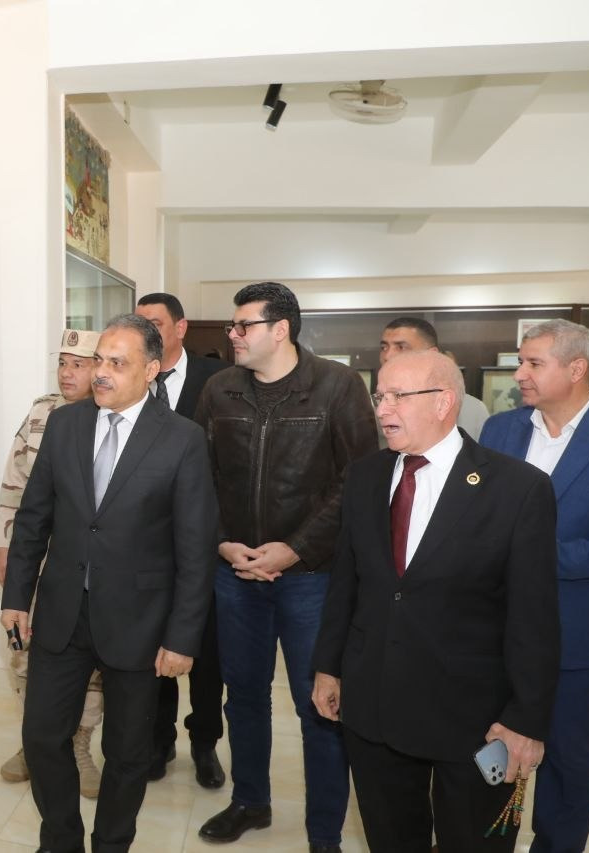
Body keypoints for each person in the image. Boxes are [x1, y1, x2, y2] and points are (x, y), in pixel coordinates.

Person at [312, 350, 560, 852]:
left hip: (474, 719)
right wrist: (328, 667)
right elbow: (347, 583)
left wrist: (525, 720)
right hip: (375, 706)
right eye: (379, 396)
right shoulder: (365, 477)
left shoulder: (518, 489)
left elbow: (534, 619)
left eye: (398, 396)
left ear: (444, 402)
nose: (382, 409)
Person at [1, 313, 216, 853]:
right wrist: (16, 596)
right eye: (99, 360)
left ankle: (112, 844)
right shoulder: (65, 425)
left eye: (117, 363)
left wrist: (182, 637)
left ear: (151, 369)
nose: (101, 372)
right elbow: (34, 517)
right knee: (42, 737)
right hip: (62, 612)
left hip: (139, 622)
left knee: (127, 752)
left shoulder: (182, 439)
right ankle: (61, 841)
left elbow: (195, 550)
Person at [194, 282, 377, 852]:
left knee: (317, 705)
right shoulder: (220, 389)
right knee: (244, 696)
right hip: (236, 573)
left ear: (281, 330)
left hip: (312, 578)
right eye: (233, 324)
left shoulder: (338, 386)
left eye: (243, 325)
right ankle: (250, 801)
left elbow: (358, 482)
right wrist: (223, 544)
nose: (233, 334)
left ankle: (324, 835)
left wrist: (294, 548)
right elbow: (199, 477)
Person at [479, 319, 589, 852]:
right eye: (520, 361)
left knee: (567, 758)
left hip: (575, 628)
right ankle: (489, 841)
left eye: (533, 363)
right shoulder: (500, 430)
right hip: (492, 626)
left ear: (576, 368)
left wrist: (542, 559)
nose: (518, 373)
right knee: (492, 749)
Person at [0, 328, 105, 797]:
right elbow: (14, 483)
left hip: (84, 568)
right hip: (35, 563)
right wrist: (4, 545)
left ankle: (78, 745)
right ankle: (35, 742)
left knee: (90, 667)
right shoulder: (41, 413)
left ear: (101, 368)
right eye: (62, 362)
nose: (66, 373)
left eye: (78, 364)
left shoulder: (113, 419)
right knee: (25, 653)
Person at [135, 292, 228, 786]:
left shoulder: (218, 379)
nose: (146, 331)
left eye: (154, 322)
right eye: (139, 323)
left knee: (206, 652)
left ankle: (205, 742)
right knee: (154, 647)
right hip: (148, 542)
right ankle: (159, 740)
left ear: (181, 327)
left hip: (204, 539)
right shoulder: (134, 379)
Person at [378, 317, 490, 440]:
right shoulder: (377, 408)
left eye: (401, 347)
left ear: (432, 354)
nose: (387, 356)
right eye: (384, 348)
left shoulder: (471, 409)